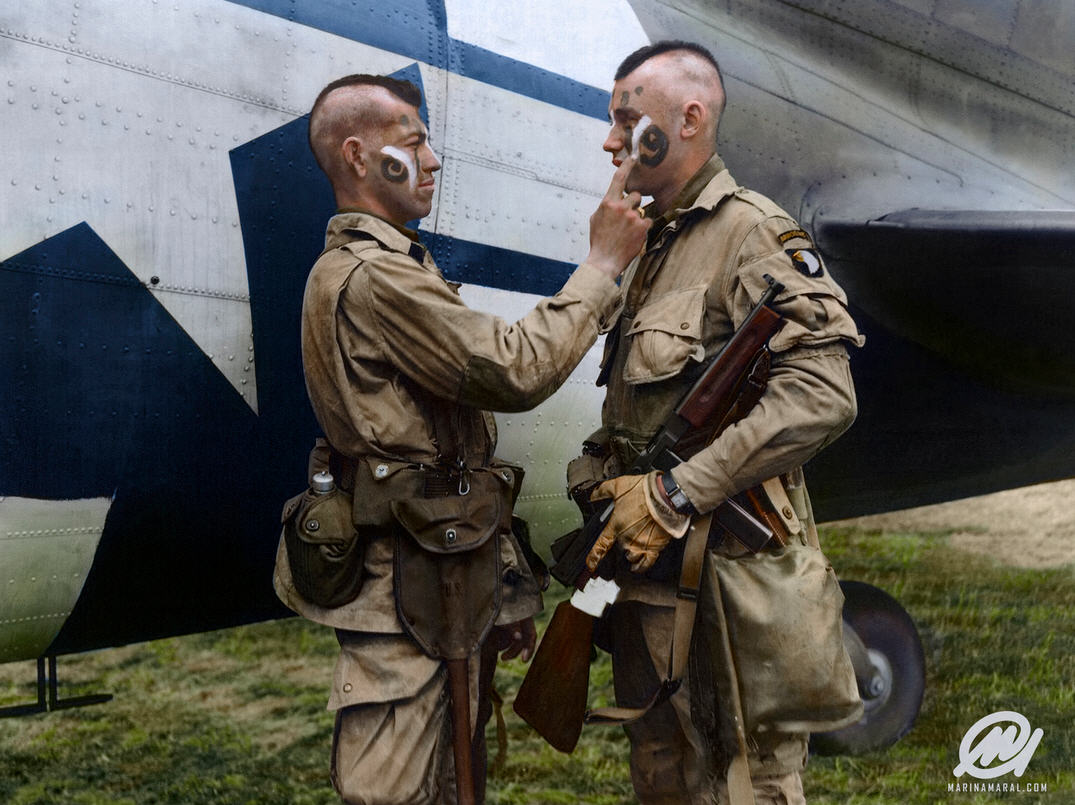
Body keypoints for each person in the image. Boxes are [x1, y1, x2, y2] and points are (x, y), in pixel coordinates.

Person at [272, 74, 649, 804]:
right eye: (413, 141)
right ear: (357, 156)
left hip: (438, 577)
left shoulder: (387, 267)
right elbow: (513, 369)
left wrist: (495, 592)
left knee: (450, 775)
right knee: (397, 789)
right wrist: (601, 265)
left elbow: (451, 454)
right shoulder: (375, 277)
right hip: (408, 587)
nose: (434, 159)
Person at [569, 42, 865, 804]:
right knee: (662, 777)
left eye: (626, 121)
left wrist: (671, 493)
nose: (610, 140)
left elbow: (820, 396)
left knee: (740, 782)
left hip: (728, 592)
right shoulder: (651, 243)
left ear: (689, 119)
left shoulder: (751, 234)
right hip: (648, 583)